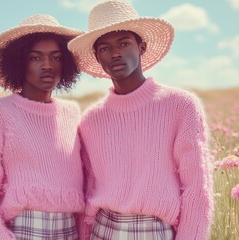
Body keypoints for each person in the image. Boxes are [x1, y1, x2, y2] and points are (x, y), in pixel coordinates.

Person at [68, 1, 214, 239]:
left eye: (124, 43)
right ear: (97, 56)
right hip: (102, 230)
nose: (115, 53)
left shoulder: (180, 105)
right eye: (104, 48)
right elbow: (90, 188)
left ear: (141, 47)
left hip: (155, 231)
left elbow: (197, 187)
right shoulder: (91, 120)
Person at [0, 14, 85, 240]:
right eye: (35, 58)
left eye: (56, 57)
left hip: (68, 230)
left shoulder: (71, 113)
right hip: (20, 229)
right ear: (19, 62)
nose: (48, 65)